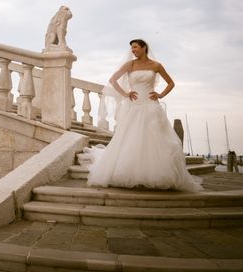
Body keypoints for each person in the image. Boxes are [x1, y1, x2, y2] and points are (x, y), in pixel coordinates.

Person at [86, 39, 202, 192]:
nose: (132, 50)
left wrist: (160, 94)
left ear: (143, 47)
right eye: (131, 48)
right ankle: (128, 172)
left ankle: (155, 173)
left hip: (150, 105)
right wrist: (126, 94)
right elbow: (113, 80)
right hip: (135, 106)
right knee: (131, 138)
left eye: (135, 47)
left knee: (155, 138)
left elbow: (171, 83)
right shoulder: (130, 65)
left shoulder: (156, 65)